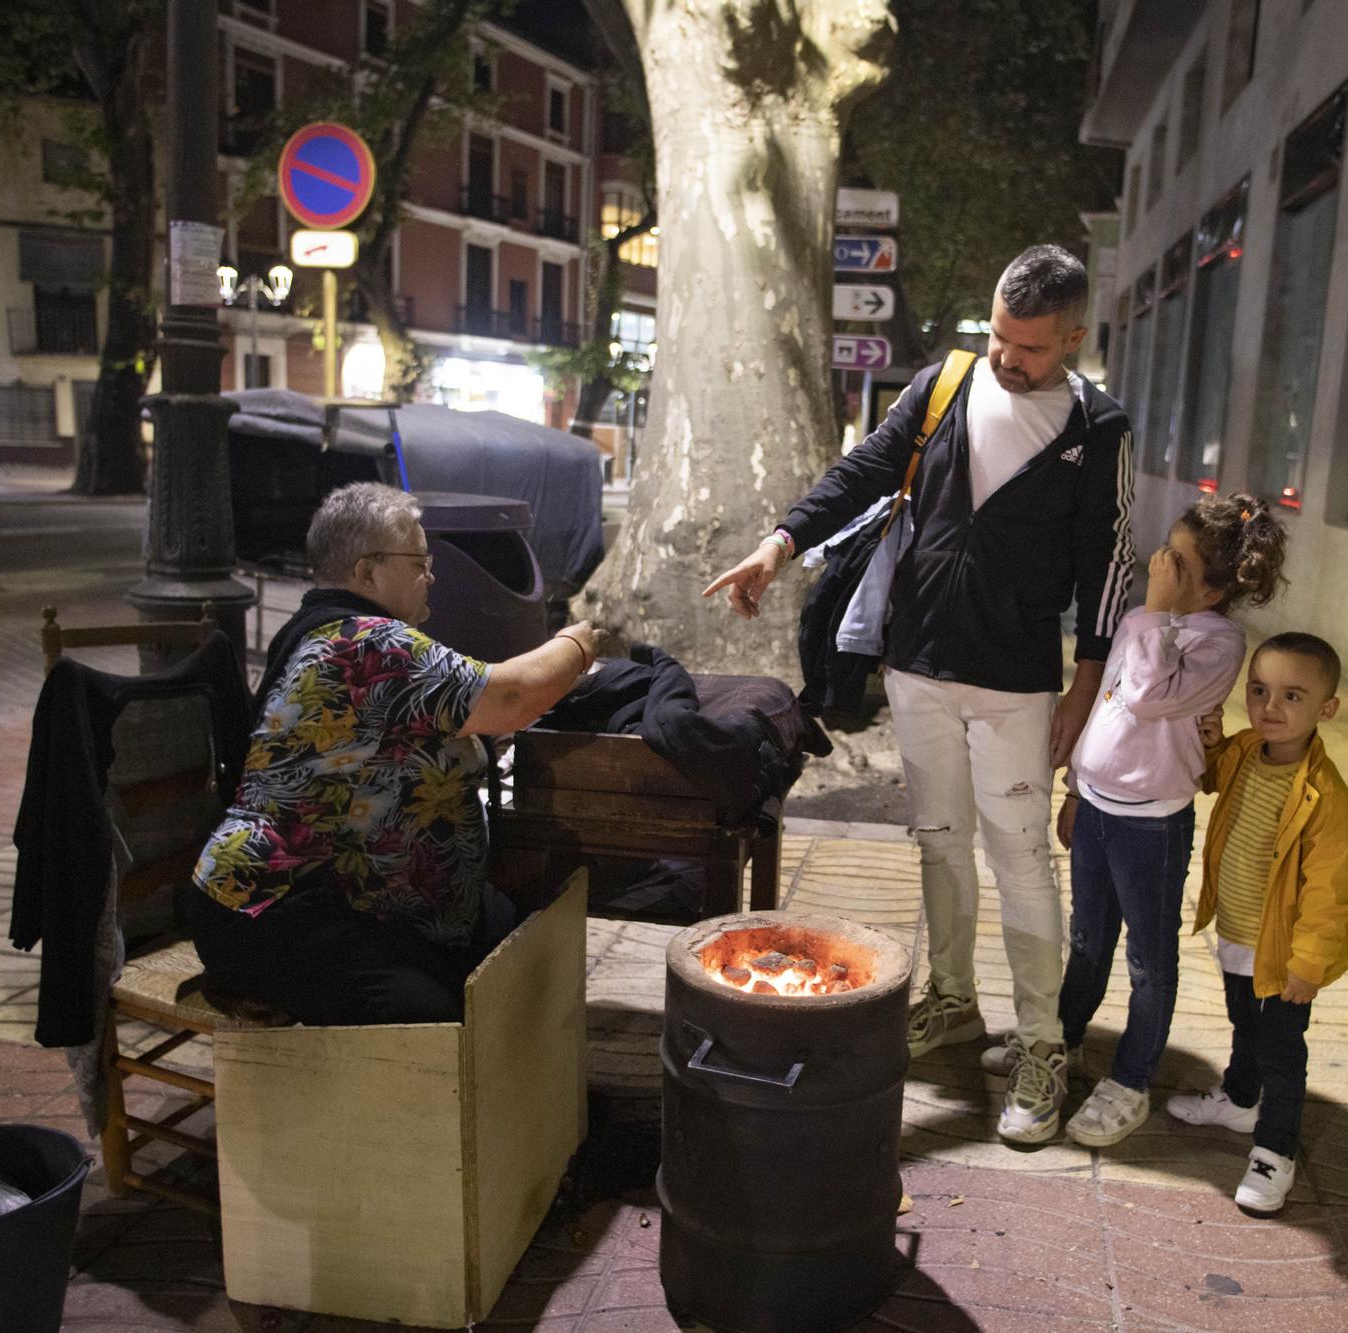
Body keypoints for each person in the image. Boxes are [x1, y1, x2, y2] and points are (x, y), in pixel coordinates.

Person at [704, 245, 1139, 1144]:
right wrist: (779, 544)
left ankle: (1044, 1041)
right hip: (917, 663)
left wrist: (1087, 684)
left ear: (1073, 337)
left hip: (1017, 678)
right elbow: (864, 470)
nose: (1009, 360)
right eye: (1000, 338)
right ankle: (953, 997)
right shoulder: (943, 384)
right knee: (939, 840)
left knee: (1020, 855)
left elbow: (1109, 561)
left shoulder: (1098, 427)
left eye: (1031, 348)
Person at [185, 482, 607, 1026]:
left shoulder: (330, 631)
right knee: (429, 1017)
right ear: (365, 573)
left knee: (510, 936)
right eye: (419, 561)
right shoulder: (365, 644)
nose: (430, 574)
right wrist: (577, 643)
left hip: (350, 902)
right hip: (274, 909)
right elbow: (512, 695)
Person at [1001, 494, 1287, 1149]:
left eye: (1177, 562)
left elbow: (1148, 695)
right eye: (1166, 550)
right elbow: (1107, 706)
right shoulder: (1142, 618)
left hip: (1152, 825)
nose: (1159, 565)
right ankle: (1062, 1047)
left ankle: (1130, 1080)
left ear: (1213, 588)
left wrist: (1157, 610)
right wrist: (1076, 788)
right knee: (1088, 941)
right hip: (1099, 807)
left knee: (1148, 963)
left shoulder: (1219, 642)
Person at [1166, 632, 1348, 1216]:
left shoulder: (1327, 799)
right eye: (1259, 691)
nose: (1271, 707)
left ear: (1327, 709)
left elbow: (1330, 895)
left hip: (1284, 953)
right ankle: (1240, 1097)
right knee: (1242, 1026)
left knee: (1282, 1050)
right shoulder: (1250, 749)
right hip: (1238, 933)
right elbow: (1215, 773)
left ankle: (1275, 1150)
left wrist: (1309, 966)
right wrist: (1211, 744)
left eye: (1293, 696)